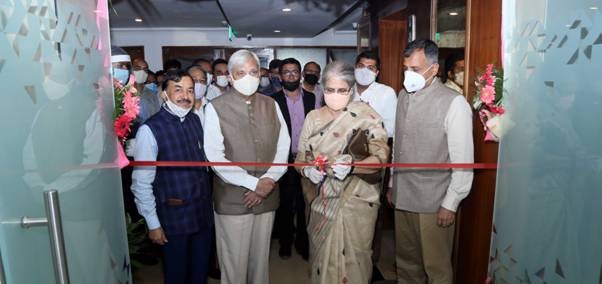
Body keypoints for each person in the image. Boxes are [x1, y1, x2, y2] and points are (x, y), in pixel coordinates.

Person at [294, 61, 390, 284]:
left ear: (351, 89)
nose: (335, 95)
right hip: (321, 200)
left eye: (341, 91)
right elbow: (299, 160)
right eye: (329, 90)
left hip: (358, 200)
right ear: (322, 88)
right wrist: (308, 172)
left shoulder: (367, 115)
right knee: (322, 260)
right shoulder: (313, 118)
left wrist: (353, 167)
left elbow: (381, 157)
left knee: (356, 260)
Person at [203, 49, 290, 284]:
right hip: (233, 199)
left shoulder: (271, 104)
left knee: (260, 263)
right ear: (230, 77)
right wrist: (254, 184)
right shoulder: (215, 107)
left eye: (253, 71)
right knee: (234, 264)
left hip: (268, 196)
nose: (248, 77)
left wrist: (267, 182)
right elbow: (214, 156)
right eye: (241, 73)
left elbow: (284, 147)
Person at [390, 39, 474, 284]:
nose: (408, 75)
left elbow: (463, 159)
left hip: (434, 201)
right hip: (403, 195)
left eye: (415, 70)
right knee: (406, 264)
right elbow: (398, 146)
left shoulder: (454, 103)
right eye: (405, 69)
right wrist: (392, 185)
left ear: (434, 69)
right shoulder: (402, 96)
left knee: (435, 268)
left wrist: (452, 201)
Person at [131, 70, 213, 284]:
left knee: (199, 274)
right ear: (164, 94)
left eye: (190, 90)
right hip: (173, 217)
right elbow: (141, 182)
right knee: (177, 276)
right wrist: (152, 223)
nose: (185, 96)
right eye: (178, 90)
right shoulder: (150, 130)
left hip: (201, 215)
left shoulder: (195, 121)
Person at [271, 57, 315, 260]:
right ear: (280, 76)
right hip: (284, 160)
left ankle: (303, 244)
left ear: (301, 75)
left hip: (306, 160)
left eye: (295, 71)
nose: (291, 75)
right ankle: (286, 243)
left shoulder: (311, 98)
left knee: (306, 203)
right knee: (286, 204)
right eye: (286, 72)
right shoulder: (273, 100)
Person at [353, 51, 398, 138]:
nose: (364, 71)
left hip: (374, 148)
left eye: (370, 68)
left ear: (376, 73)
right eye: (361, 66)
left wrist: (369, 117)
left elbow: (390, 130)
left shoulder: (387, 93)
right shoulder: (346, 91)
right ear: (355, 68)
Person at [132, 58, 161, 123]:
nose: (142, 72)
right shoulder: (124, 93)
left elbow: (157, 116)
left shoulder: (152, 94)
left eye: (145, 69)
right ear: (132, 70)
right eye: (138, 68)